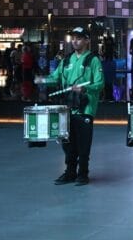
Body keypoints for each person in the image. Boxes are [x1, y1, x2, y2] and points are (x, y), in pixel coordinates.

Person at [40, 27, 104, 185]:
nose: (75, 41)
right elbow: (55, 78)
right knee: (67, 143)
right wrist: (42, 80)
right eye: (73, 38)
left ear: (87, 40)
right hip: (67, 108)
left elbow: (100, 83)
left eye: (79, 38)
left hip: (85, 109)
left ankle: (83, 173)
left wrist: (85, 88)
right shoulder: (66, 60)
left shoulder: (93, 60)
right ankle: (70, 172)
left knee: (83, 144)